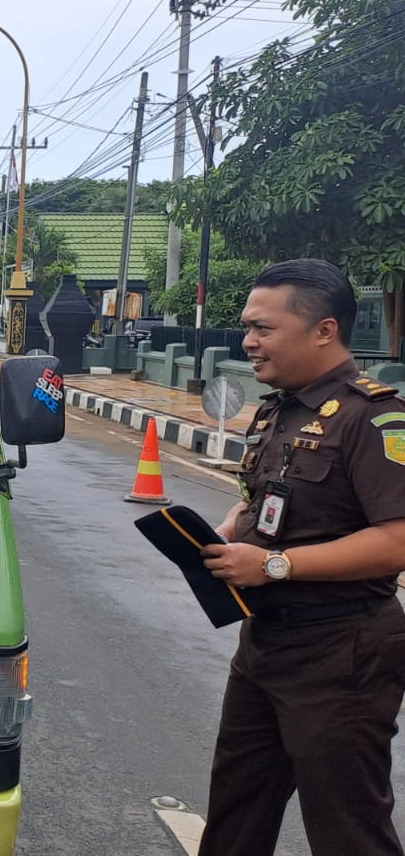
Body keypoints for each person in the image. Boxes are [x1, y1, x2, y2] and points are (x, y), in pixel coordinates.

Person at [197, 258, 405, 856]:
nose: (249, 341)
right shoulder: (279, 410)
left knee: (346, 824)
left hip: (343, 653)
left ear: (324, 330)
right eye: (247, 327)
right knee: (237, 809)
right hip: (265, 644)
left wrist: (274, 566)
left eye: (264, 328)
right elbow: (266, 502)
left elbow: (398, 538)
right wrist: (229, 528)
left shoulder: (374, 417)